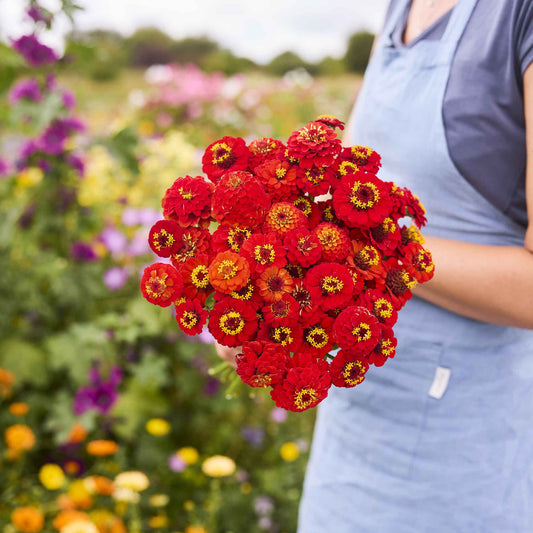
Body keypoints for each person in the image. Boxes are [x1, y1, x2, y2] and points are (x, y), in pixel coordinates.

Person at [218, 0, 533, 530]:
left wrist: (377, 251)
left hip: (466, 444)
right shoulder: (401, 7)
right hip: (358, 419)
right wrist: (265, 304)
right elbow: (344, 185)